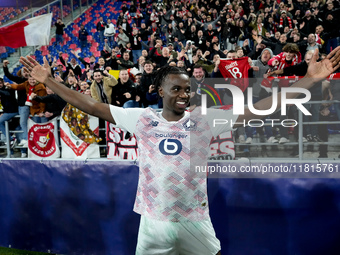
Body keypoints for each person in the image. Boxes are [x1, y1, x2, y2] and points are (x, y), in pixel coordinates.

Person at [19, 46, 340, 254]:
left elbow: (263, 108)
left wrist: (309, 80)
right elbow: (91, 104)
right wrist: (50, 82)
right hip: (153, 225)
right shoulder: (141, 118)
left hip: (195, 222)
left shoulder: (204, 120)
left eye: (187, 88)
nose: (184, 93)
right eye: (176, 88)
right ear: (160, 91)